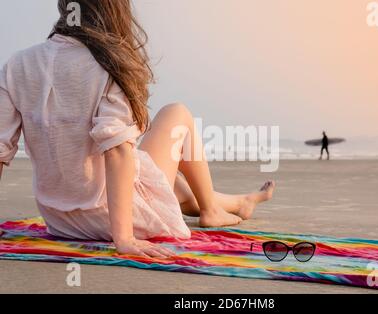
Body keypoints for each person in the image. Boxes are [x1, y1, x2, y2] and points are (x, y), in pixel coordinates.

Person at [0, 0, 275, 258]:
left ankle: (241, 202)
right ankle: (212, 209)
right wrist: (124, 239)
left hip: (61, 222)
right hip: (115, 218)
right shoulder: (108, 63)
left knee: (173, 186)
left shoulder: (17, 64)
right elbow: (117, 150)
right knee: (176, 113)